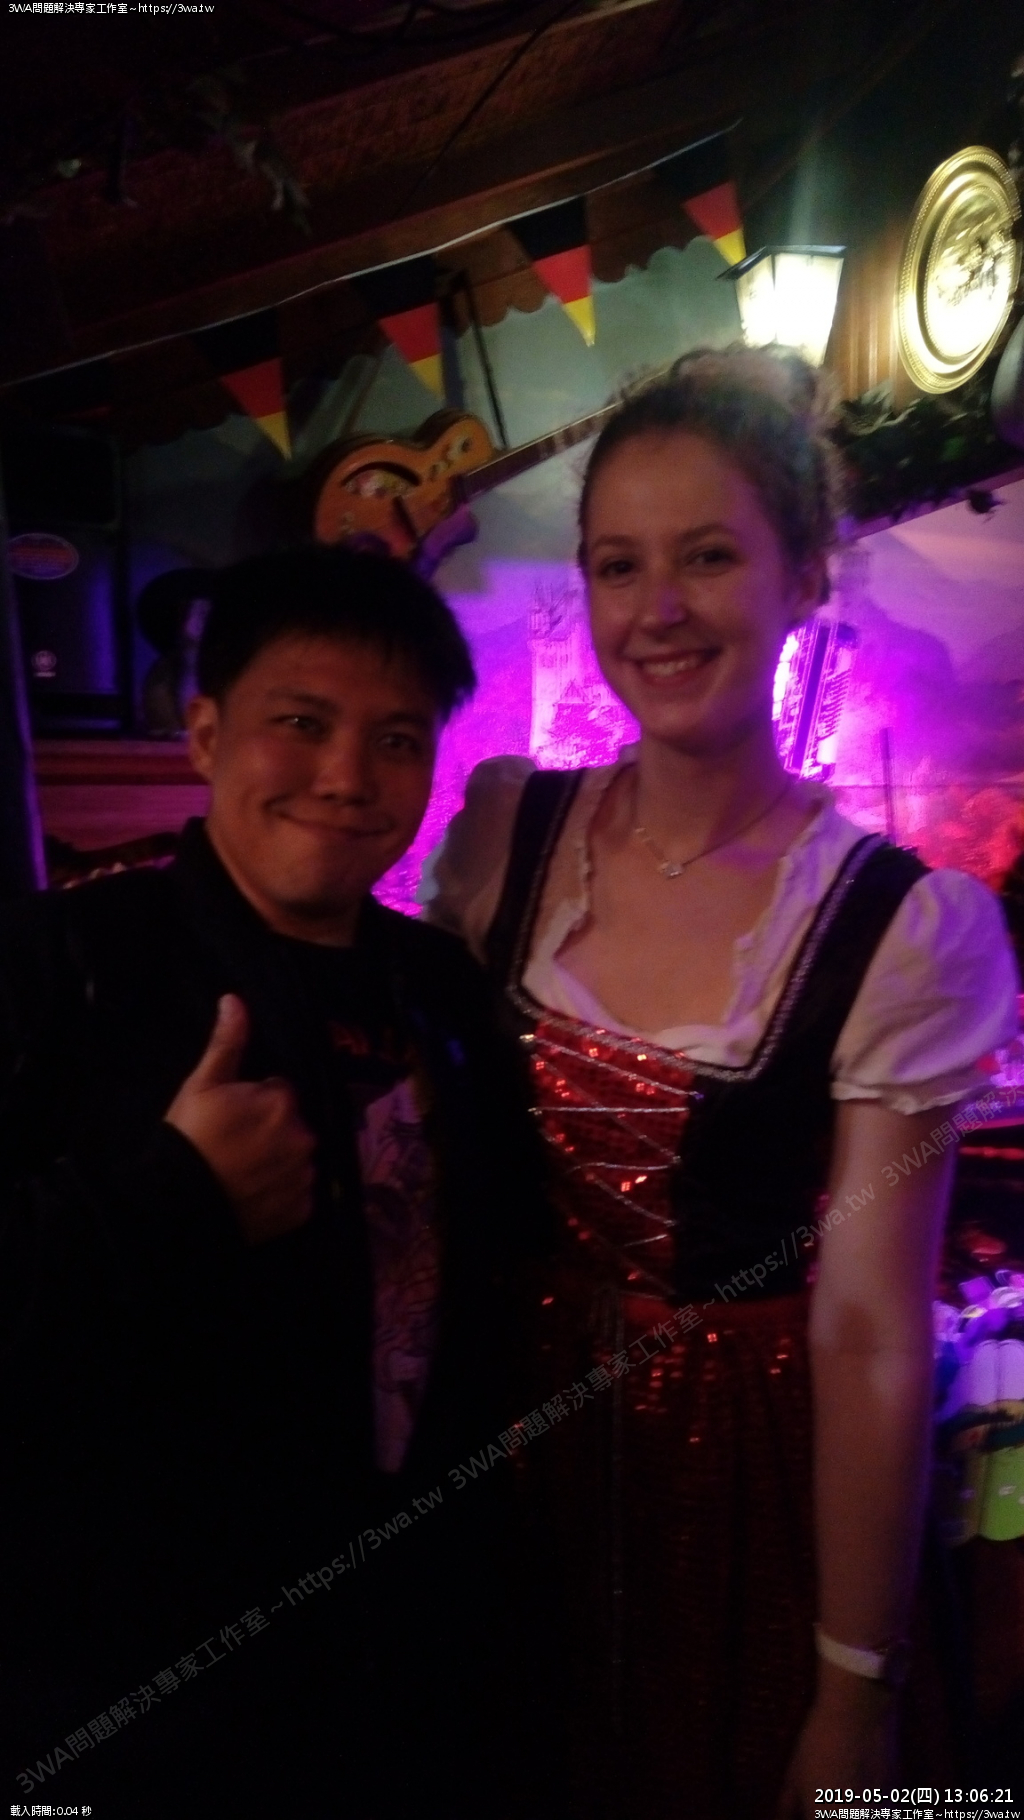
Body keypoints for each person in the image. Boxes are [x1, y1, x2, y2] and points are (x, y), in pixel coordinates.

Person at [422, 348, 1020, 1818]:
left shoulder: (898, 926)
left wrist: (855, 1686)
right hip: (509, 1452)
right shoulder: (508, 830)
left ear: (804, 572)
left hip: (743, 1480)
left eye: (708, 556)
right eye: (618, 564)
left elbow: (871, 1330)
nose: (658, 608)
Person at [0, 546, 549, 1820]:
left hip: (400, 1659)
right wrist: (173, 1193)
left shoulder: (442, 988)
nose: (347, 776)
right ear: (205, 733)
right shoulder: (61, 962)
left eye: (396, 739)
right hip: (135, 1691)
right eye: (299, 722)